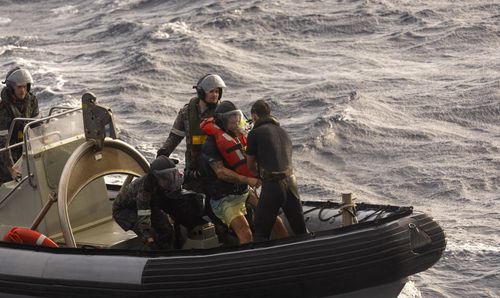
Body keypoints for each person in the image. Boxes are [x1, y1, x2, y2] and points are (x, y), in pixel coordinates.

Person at [201, 101, 287, 244]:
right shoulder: (210, 145)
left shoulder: (240, 138)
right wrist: (248, 180)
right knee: (245, 233)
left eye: (236, 116)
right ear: (222, 120)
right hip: (224, 198)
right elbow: (221, 172)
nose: (235, 120)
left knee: (274, 219)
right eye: (231, 117)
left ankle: (287, 250)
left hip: (244, 191)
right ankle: (250, 262)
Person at [112, 156, 206, 250]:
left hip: (151, 205)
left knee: (167, 231)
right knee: (153, 235)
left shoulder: (165, 183)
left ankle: (170, 252)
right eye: (166, 178)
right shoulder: (144, 192)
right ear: (156, 177)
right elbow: (143, 217)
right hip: (125, 210)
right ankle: (148, 255)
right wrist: (149, 238)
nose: (169, 180)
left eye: (171, 175)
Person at [246, 100, 307, 242]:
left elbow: (250, 166)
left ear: (254, 117)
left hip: (273, 186)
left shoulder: (254, 133)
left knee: (261, 234)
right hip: (291, 183)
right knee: (300, 230)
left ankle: (263, 262)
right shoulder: (283, 132)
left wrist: (257, 176)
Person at [157, 74, 226, 194]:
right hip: (194, 172)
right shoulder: (186, 113)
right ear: (201, 92)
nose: (215, 95)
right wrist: (163, 154)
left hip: (216, 170)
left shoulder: (223, 113)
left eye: (217, 91)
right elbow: (175, 137)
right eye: (211, 91)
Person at [0, 67, 39, 183]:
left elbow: (37, 127)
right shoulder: (2, 110)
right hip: (7, 152)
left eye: (25, 86)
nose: (23, 90)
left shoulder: (32, 101)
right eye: (19, 87)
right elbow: (3, 143)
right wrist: (11, 169)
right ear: (12, 88)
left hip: (25, 147)